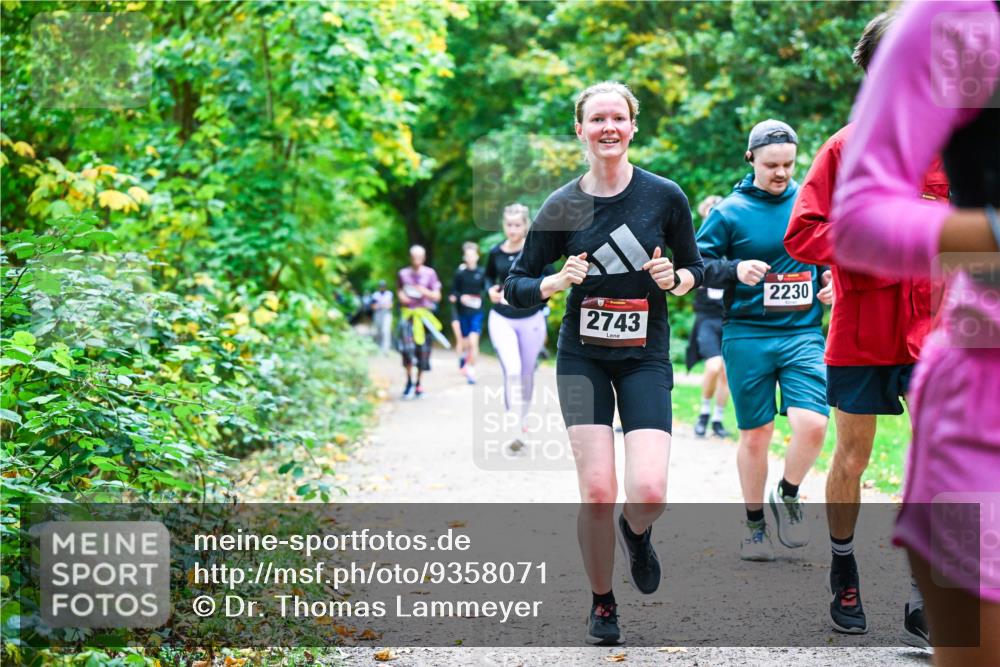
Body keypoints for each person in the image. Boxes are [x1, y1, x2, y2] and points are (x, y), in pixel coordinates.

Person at [504, 81, 704, 646]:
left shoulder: (665, 196)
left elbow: (696, 267)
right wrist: (555, 280)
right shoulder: (562, 204)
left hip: (644, 356)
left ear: (633, 126)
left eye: (618, 117)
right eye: (597, 120)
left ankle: (635, 533)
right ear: (581, 130)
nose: (608, 128)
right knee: (596, 489)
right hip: (581, 358)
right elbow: (514, 286)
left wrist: (677, 279)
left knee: (648, 492)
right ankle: (602, 601)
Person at [831, 2, 999, 663]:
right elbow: (852, 222)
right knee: (851, 450)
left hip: (924, 330)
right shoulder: (960, 20)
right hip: (981, 399)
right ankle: (845, 565)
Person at [783, 11, 947, 643]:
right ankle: (844, 567)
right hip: (864, 329)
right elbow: (804, 234)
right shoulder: (847, 147)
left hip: (937, 330)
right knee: (852, 456)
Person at [696, 119, 834, 562]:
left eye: (789, 164)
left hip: (801, 333)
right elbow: (697, 264)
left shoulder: (811, 202)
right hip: (748, 334)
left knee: (813, 424)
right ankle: (754, 525)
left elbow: (832, 255)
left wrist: (833, 281)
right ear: (750, 159)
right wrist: (734, 269)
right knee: (756, 435)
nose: (781, 173)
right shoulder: (729, 212)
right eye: (772, 164)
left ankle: (788, 494)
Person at [485, 204, 552, 440]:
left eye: (517, 225)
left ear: (525, 226)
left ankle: (522, 420)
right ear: (504, 225)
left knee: (526, 374)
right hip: (502, 317)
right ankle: (513, 424)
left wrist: (537, 298)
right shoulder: (495, 252)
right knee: (511, 369)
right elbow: (488, 278)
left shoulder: (536, 251)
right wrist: (490, 291)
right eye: (509, 224)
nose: (512, 229)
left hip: (531, 318)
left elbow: (550, 279)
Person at [685, 194, 731, 438]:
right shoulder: (696, 244)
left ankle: (718, 419)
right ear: (704, 213)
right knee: (714, 366)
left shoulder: (733, 240)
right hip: (706, 317)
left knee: (726, 371)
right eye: (709, 208)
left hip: (729, 317)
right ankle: (703, 413)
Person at [397, 245, 443, 399]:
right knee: (407, 350)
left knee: (423, 352)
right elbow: (399, 291)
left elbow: (437, 296)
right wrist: (402, 297)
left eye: (419, 257)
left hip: (424, 318)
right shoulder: (402, 274)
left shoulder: (430, 274)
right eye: (414, 257)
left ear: (423, 258)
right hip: (408, 317)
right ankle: (409, 381)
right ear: (410, 257)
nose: (416, 260)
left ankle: (419, 384)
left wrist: (424, 291)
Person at [450, 242, 487, 384]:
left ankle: (471, 371)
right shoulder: (460, 273)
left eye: (473, 255)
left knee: (473, 342)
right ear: (465, 257)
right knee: (465, 343)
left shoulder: (482, 273)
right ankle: (464, 357)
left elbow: (487, 289)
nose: (470, 258)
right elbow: (454, 292)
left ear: (477, 256)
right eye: (468, 255)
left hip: (476, 312)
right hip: (462, 312)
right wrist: (460, 298)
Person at [371, 280, 394, 355]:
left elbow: (391, 305)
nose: (382, 287)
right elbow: (373, 306)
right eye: (381, 286)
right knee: (378, 331)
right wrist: (380, 306)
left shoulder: (389, 294)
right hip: (378, 313)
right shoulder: (375, 295)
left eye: (383, 286)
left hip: (386, 314)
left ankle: (386, 349)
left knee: (386, 331)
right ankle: (378, 347)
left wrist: (385, 306)